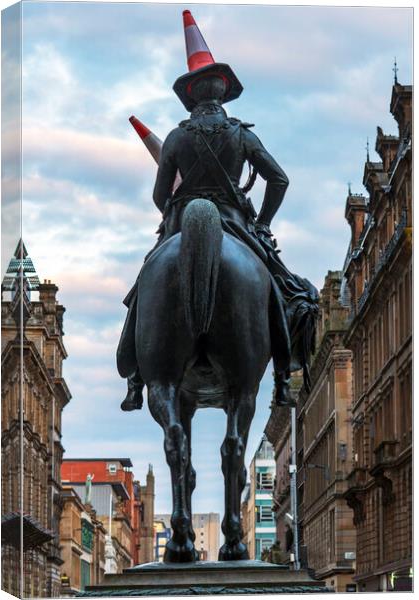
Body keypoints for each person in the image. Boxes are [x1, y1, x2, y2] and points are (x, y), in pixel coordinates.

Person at [117, 10, 318, 411]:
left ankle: (136, 379)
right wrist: (261, 223)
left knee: (142, 288)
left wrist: (175, 213)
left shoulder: (175, 137)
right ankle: (281, 379)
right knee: (287, 292)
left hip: (180, 218)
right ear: (223, 94)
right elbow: (279, 180)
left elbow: (161, 195)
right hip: (237, 222)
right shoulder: (242, 135)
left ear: (191, 96)